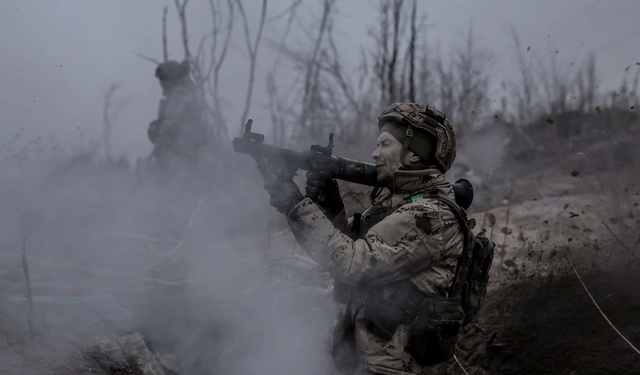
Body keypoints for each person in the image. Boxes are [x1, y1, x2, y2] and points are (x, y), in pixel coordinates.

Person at [259, 103, 465, 375]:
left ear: (414, 154)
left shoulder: (430, 216)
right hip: (369, 362)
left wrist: (297, 206)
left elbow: (353, 263)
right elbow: (348, 250)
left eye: (385, 144)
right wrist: (329, 207)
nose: (374, 153)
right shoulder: (398, 206)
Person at [147, 60, 208, 173]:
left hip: (183, 154)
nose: (161, 83)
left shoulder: (180, 95)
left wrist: (156, 131)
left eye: (163, 78)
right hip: (181, 153)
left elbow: (167, 126)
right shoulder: (183, 93)